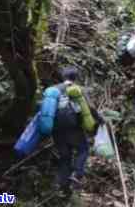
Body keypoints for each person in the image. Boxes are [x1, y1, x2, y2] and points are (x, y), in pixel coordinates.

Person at [51, 67, 99, 198]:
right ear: (75, 78)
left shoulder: (54, 89)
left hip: (56, 129)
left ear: (63, 77)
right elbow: (91, 107)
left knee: (65, 157)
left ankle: (63, 189)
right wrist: (99, 120)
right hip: (74, 128)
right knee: (83, 150)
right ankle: (77, 174)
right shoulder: (79, 90)